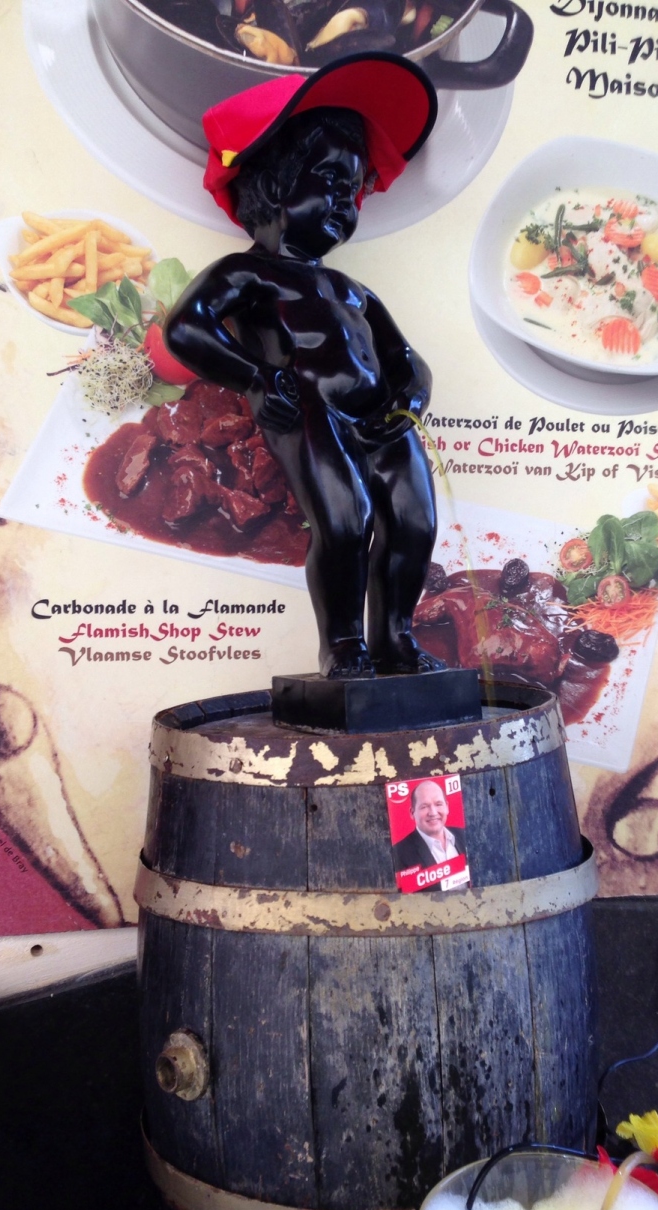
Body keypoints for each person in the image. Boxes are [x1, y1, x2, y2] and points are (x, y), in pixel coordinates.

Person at [164, 55, 446, 680]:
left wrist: (409, 401)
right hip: (310, 410)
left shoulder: (352, 291)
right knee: (345, 521)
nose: (347, 199)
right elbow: (185, 327)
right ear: (271, 185)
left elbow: (407, 360)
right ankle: (343, 645)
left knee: (415, 522)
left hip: (382, 420)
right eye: (331, 180)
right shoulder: (249, 273)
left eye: (354, 189)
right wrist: (256, 378)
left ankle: (396, 639)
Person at [392, 779, 467, 876]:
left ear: (447, 807)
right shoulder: (399, 853)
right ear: (412, 813)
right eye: (424, 806)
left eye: (438, 804)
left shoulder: (464, 835)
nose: (433, 813)